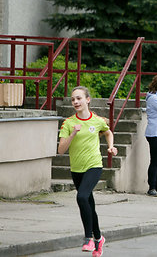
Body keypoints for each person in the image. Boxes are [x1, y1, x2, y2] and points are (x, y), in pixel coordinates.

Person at [58, 86, 118, 257]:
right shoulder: (68, 123)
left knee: (82, 197)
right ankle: (99, 238)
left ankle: (88, 238)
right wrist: (73, 134)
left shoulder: (97, 120)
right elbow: (61, 150)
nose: (76, 102)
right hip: (76, 168)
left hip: (94, 165)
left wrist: (111, 146)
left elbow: (108, 132)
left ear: (87, 100)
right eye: (73, 99)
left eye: (79, 98)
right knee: (89, 204)